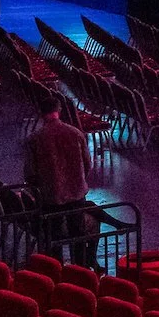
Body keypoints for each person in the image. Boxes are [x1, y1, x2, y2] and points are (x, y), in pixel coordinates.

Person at [24, 99, 95, 264]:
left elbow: (30, 173)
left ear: (40, 113)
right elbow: (87, 165)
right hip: (76, 194)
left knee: (53, 237)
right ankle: (80, 270)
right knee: (78, 235)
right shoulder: (76, 133)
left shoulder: (35, 139)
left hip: (50, 197)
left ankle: (57, 272)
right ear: (59, 110)